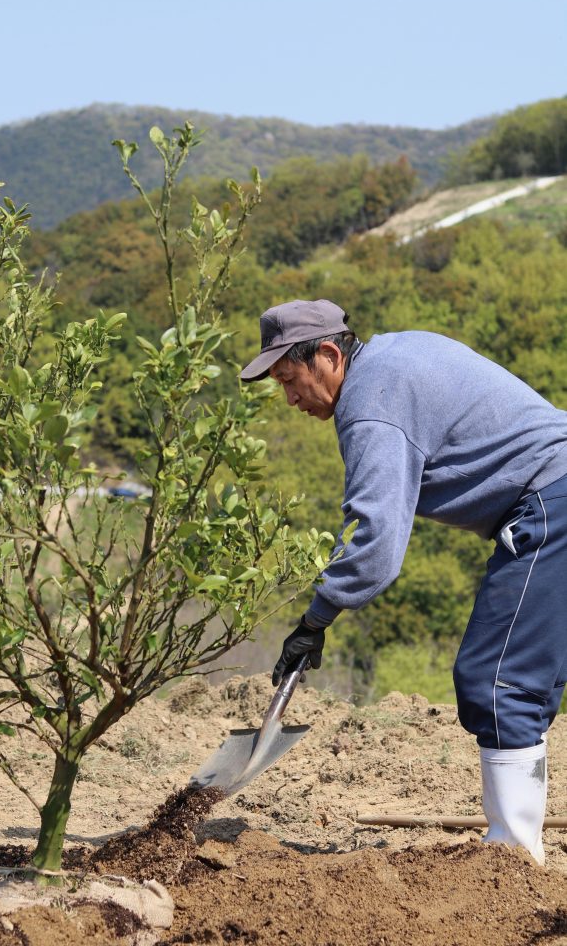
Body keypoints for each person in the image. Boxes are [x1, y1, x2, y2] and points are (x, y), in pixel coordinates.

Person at [240, 298, 567, 864]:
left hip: (554, 501)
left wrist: (315, 619)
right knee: (523, 677)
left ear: (327, 354)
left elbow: (375, 549)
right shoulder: (396, 351)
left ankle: (512, 861)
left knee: (498, 680)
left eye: (291, 380)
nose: (290, 400)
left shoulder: (371, 405)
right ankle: (517, 847)